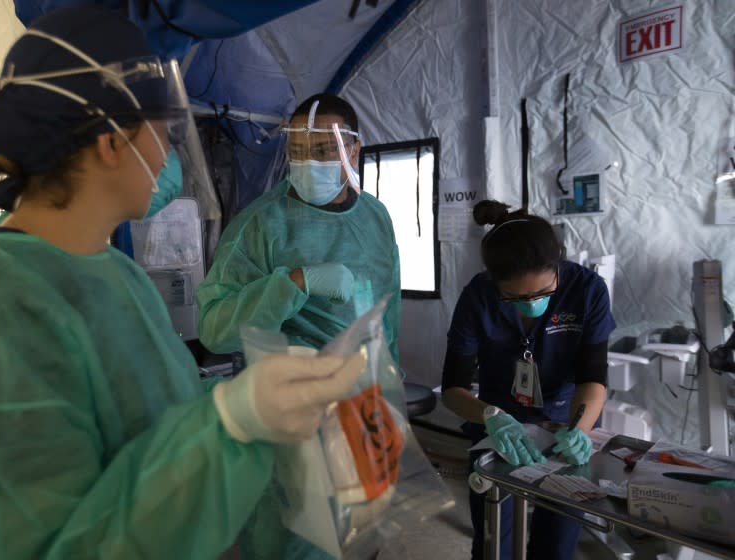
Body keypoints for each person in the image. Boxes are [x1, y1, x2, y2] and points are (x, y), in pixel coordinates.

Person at [0, 7, 367, 559]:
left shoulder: (114, 274)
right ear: (109, 141)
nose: (171, 153)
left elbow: (148, 424)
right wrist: (229, 427)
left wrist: (245, 403)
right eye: (165, 132)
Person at [441, 200, 615, 560]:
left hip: (567, 418)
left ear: (558, 268)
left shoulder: (587, 290)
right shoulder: (478, 295)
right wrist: (491, 416)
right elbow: (452, 389)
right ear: (495, 282)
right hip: (498, 422)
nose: (531, 303)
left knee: (556, 543)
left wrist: (581, 428)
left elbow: (594, 376)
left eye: (543, 294)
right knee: (492, 541)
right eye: (515, 298)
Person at [197, 94, 401, 361]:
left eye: (323, 150)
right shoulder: (260, 224)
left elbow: (389, 310)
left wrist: (391, 372)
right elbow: (214, 331)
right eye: (298, 152)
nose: (308, 163)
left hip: (369, 387)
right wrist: (294, 283)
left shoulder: (376, 215)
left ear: (353, 149)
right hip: (297, 391)